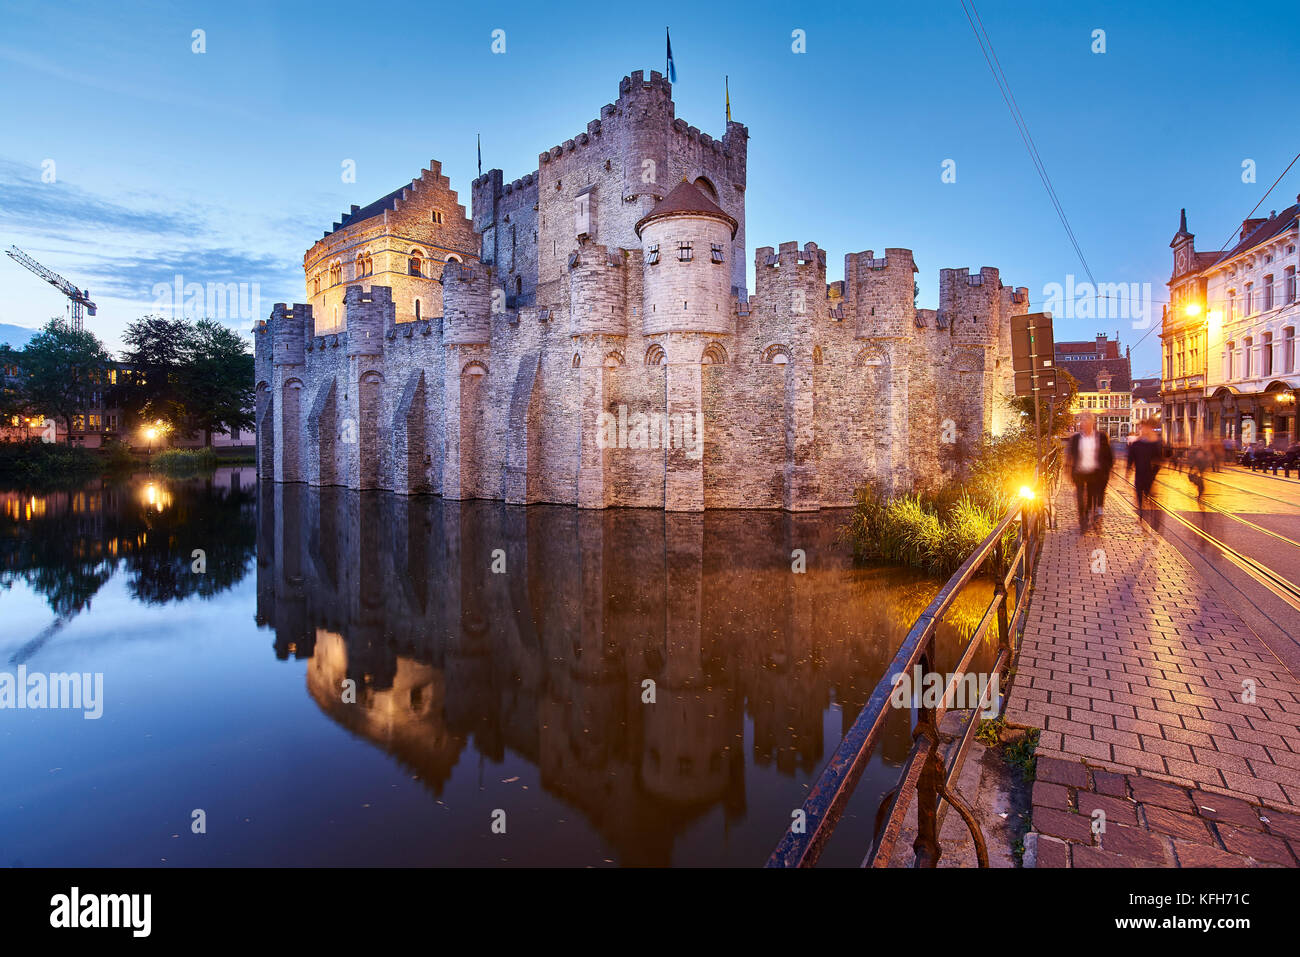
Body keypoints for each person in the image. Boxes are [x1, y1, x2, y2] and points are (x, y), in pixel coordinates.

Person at [1065, 411, 1114, 533]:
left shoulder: (1100, 437)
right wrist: (1068, 468)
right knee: (1080, 497)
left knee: (1091, 497)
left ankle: (1088, 513)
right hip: (1079, 472)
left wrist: (1107, 469)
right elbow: (1070, 454)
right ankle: (1083, 517)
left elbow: (1108, 455)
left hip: (1094, 472)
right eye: (1082, 421)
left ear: (1092, 423)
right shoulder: (1075, 438)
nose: (1083, 424)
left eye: (1086, 421)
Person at [1126, 419, 1162, 530]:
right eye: (1142, 428)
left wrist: (1154, 473)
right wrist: (1128, 470)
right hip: (1139, 475)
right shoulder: (1136, 444)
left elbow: (1159, 460)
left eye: (1144, 428)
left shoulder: (1155, 443)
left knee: (1149, 497)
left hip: (1149, 476)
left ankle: (1152, 518)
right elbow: (1131, 458)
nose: (1143, 430)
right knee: (1139, 495)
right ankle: (1141, 513)